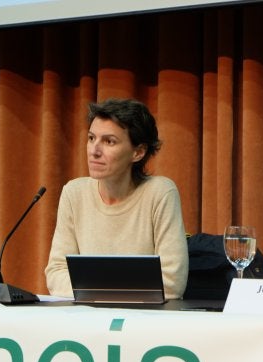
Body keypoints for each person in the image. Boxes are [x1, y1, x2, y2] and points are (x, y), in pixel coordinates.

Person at [45, 98, 189, 299]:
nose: (94, 151)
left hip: (146, 321)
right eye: (91, 138)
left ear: (138, 152)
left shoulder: (160, 193)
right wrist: (119, 287)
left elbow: (172, 282)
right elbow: (56, 273)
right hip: (87, 319)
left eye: (109, 141)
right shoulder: (74, 193)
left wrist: (91, 287)